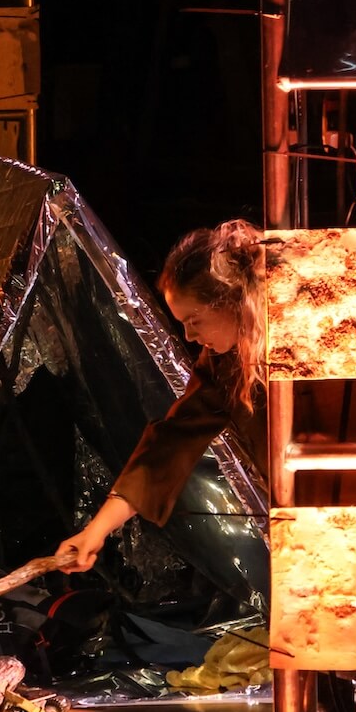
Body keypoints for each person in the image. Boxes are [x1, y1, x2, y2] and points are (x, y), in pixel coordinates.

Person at [57, 220, 266, 570]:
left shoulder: (310, 335)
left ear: (231, 301)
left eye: (194, 320)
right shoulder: (223, 365)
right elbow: (168, 445)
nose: (188, 335)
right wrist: (97, 530)